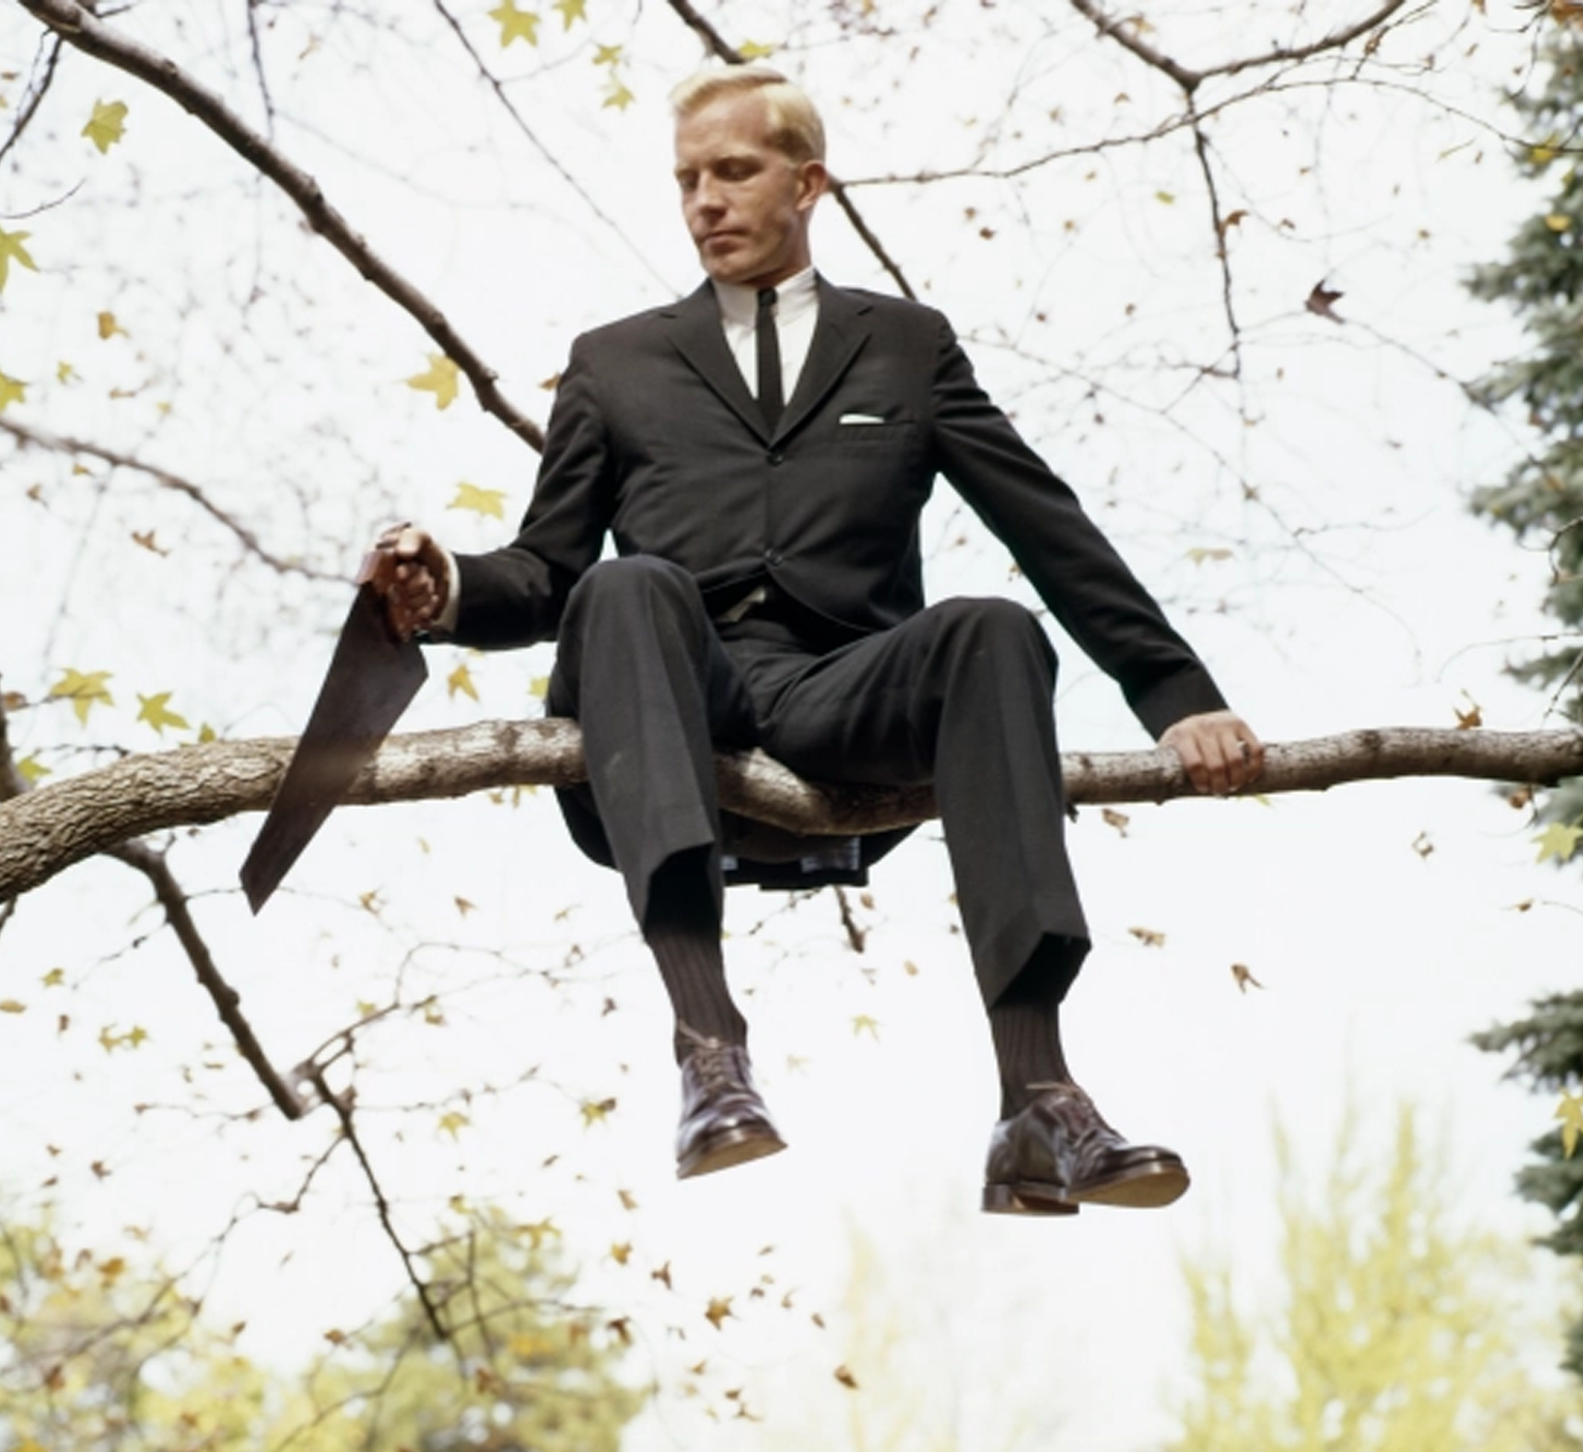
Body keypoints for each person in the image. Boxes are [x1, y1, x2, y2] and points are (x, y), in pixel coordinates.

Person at [375, 63, 1264, 1211]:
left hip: (845, 699)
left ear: (807, 185)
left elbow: (1047, 526)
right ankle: (709, 1055)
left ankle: (1038, 1100)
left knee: (994, 628)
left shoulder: (905, 346)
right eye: (687, 180)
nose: (705, 201)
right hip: (669, 698)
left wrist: (1178, 694)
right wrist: (445, 586)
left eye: (733, 172)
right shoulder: (615, 361)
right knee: (627, 586)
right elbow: (548, 575)